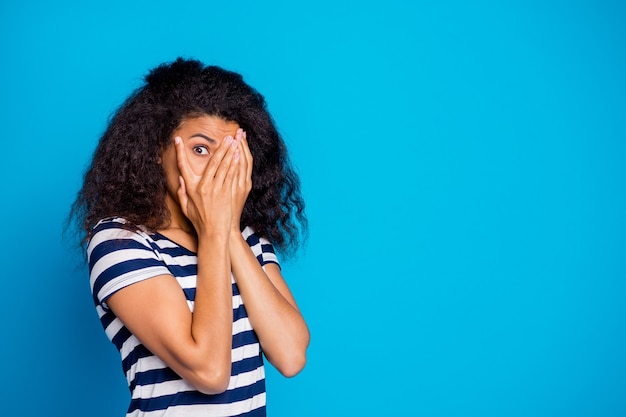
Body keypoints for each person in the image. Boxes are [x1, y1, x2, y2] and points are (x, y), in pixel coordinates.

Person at [70, 57, 310, 417]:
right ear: (156, 151)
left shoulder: (245, 237)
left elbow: (291, 356)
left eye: (229, 153)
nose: (216, 167)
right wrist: (215, 231)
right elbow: (209, 372)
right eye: (200, 149)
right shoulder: (119, 241)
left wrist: (227, 230)